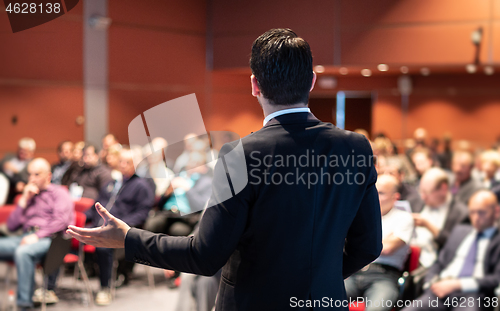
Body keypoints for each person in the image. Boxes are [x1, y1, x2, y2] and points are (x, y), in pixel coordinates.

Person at [67, 28, 382, 310]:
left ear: (254, 85)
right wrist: (316, 280)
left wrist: (129, 238)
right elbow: (368, 246)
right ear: (311, 81)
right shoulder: (355, 147)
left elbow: (205, 255)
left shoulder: (240, 154)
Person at [402, 190, 500, 311]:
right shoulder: (460, 231)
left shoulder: (497, 239)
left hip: (473, 295)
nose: (476, 218)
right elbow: (439, 263)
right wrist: (430, 284)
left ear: (496, 212)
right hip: (440, 290)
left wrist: (457, 284)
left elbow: (496, 278)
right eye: (472, 212)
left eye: (481, 212)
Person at [0, 158, 74, 310]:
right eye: (29, 174)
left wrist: (37, 235)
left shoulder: (59, 193)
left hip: (50, 240)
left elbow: (61, 221)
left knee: (23, 252)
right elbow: (12, 226)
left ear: (48, 176)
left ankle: (24, 305)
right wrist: (24, 200)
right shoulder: (29, 196)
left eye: (36, 174)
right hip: (26, 237)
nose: (31, 179)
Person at [84, 148, 155, 305]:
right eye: (121, 161)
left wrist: (119, 225)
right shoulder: (112, 183)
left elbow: (142, 214)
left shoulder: (141, 186)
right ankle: (50, 288)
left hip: (122, 232)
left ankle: (105, 288)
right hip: (99, 226)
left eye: (127, 162)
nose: (123, 165)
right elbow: (96, 205)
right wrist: (83, 217)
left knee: (103, 246)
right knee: (64, 237)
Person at [345, 175, 414, 311]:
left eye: (381, 193)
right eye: (373, 191)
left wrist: (358, 240)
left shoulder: (404, 218)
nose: (375, 196)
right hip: (353, 272)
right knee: (322, 302)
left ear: (396, 197)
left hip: (384, 276)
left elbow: (387, 248)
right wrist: (383, 239)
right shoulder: (360, 214)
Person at [411, 168, 469, 268]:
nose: (423, 197)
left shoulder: (461, 213)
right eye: (421, 191)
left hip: (437, 264)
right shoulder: (415, 202)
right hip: (409, 258)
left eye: (427, 192)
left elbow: (456, 246)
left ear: (443, 189)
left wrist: (428, 226)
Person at [0, 137, 36, 203]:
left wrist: (15, 171)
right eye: (20, 149)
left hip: (12, 186)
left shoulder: (33, 164)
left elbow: (25, 178)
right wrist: (4, 166)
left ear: (31, 152)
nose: (21, 152)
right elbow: (1, 165)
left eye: (25, 150)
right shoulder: (9, 156)